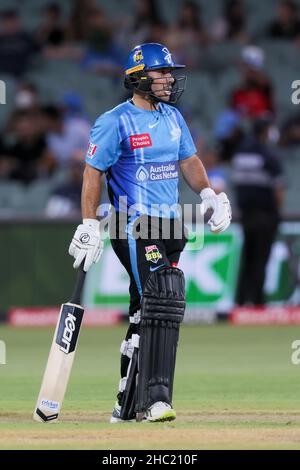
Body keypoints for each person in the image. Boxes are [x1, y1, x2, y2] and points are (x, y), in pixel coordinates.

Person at [68, 42, 232, 423]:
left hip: (170, 224)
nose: (169, 79)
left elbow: (188, 159)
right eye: (162, 73)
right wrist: (90, 222)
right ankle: (155, 400)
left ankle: (125, 404)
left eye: (170, 73)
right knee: (162, 299)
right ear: (139, 78)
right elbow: (92, 172)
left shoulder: (173, 117)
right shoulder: (115, 121)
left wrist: (208, 193)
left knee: (150, 310)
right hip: (134, 225)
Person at [232, 115, 284, 305]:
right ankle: (258, 301)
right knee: (261, 258)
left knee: (248, 257)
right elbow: (279, 190)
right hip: (265, 214)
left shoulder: (240, 153)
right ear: (265, 132)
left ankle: (240, 300)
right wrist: (277, 211)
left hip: (247, 214)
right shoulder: (267, 155)